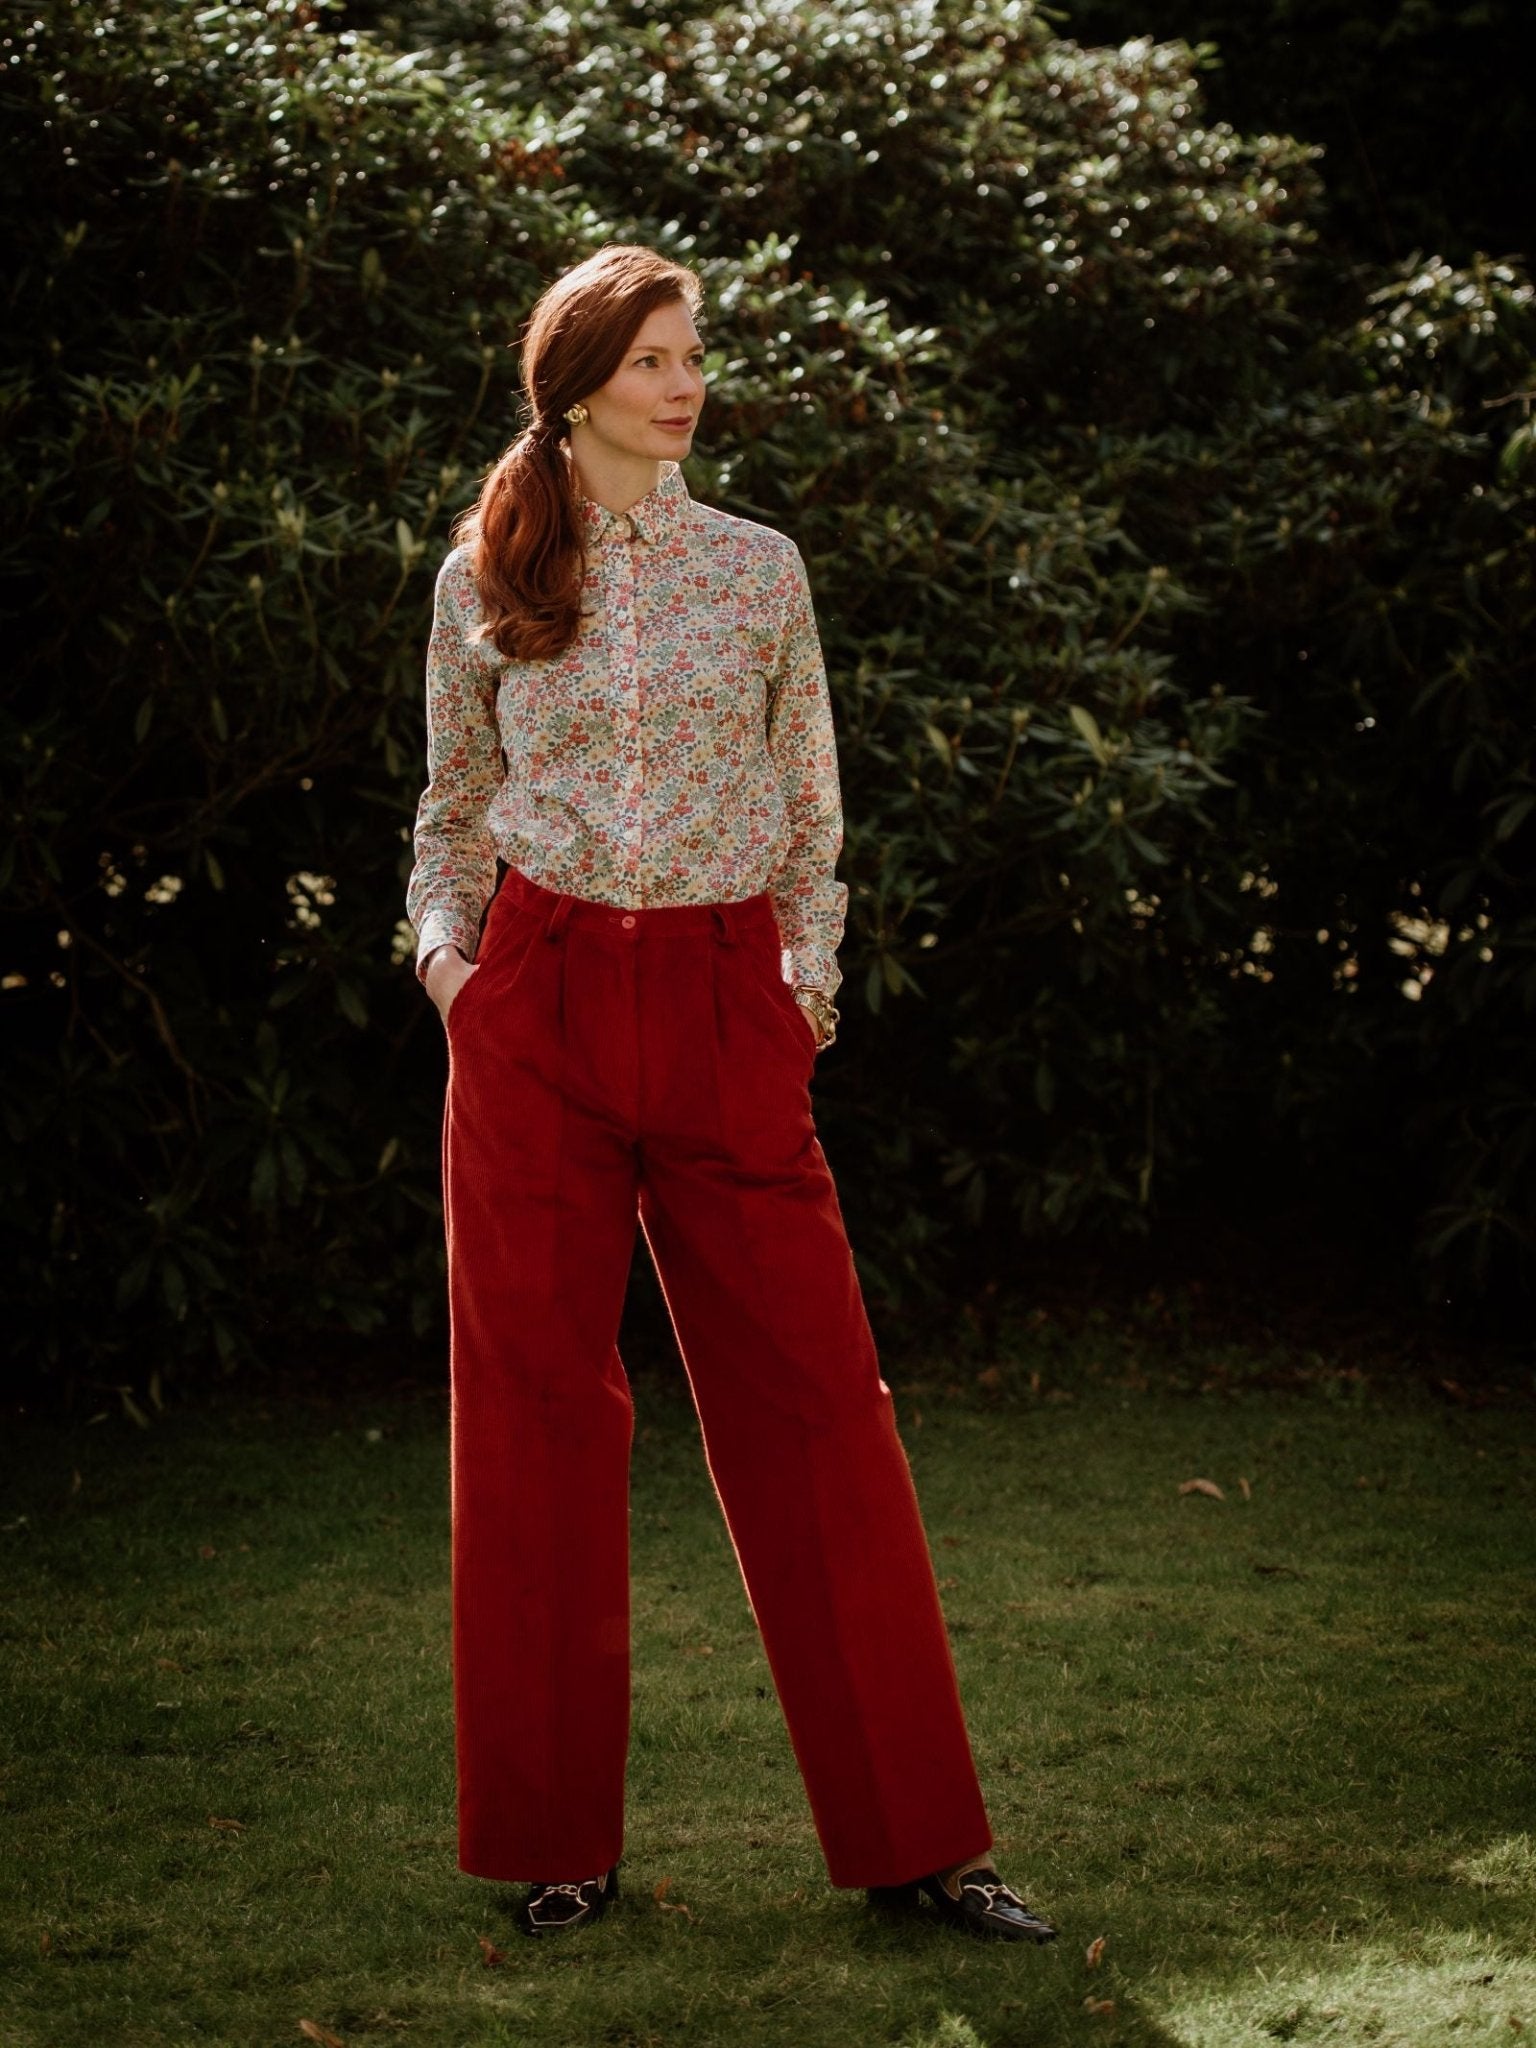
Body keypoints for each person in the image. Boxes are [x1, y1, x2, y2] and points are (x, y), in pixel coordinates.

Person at [405, 243, 1057, 1947]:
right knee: (534, 1421)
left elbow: (812, 801)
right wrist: (452, 969)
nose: (686, 384)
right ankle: (554, 1842)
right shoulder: (485, 570)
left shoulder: (760, 568)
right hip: (537, 1002)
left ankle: (921, 1845)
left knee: (822, 1408)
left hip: (723, 1003)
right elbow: (452, 806)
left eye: (694, 354)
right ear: (576, 386)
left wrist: (799, 994)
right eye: (652, 358)